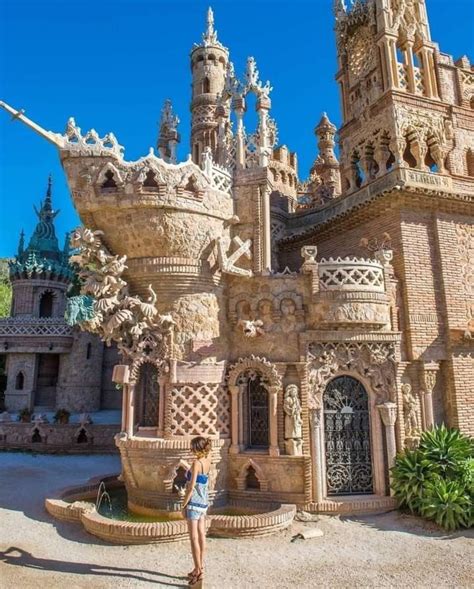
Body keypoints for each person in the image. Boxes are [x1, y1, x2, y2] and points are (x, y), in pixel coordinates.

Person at [181, 436, 212, 586]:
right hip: (203, 503)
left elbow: (190, 487)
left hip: (193, 504)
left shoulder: (196, 463)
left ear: (197, 448)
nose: (190, 449)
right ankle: (200, 567)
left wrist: (183, 505)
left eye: (192, 447)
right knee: (201, 535)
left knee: (193, 538)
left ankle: (198, 571)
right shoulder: (207, 460)